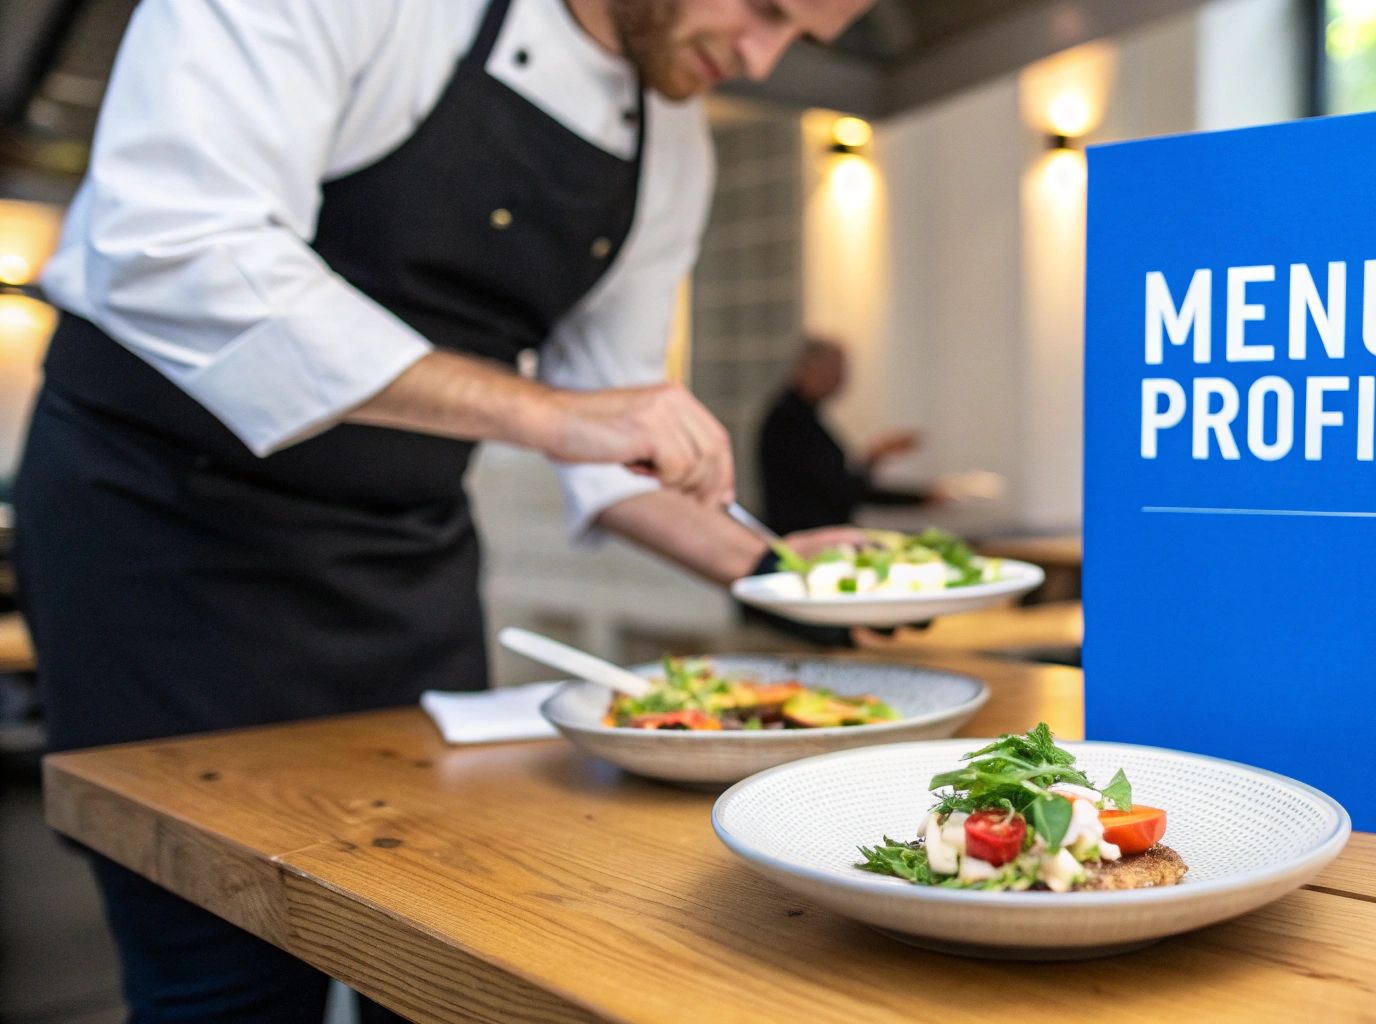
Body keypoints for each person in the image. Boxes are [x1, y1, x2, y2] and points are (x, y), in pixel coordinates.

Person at [12, 0, 874, 1020]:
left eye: (803, 40)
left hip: (399, 559)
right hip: (164, 534)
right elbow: (183, 249)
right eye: (766, 9)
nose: (762, 57)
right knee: (219, 957)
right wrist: (549, 415)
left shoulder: (670, 146)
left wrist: (777, 569)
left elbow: (615, 447)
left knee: (434, 939)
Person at [758, 337, 936, 534]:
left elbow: (838, 483)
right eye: (837, 370)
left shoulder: (802, 416)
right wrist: (873, 457)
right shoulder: (790, 421)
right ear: (811, 368)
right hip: (807, 540)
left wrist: (922, 497)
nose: (842, 379)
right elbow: (839, 490)